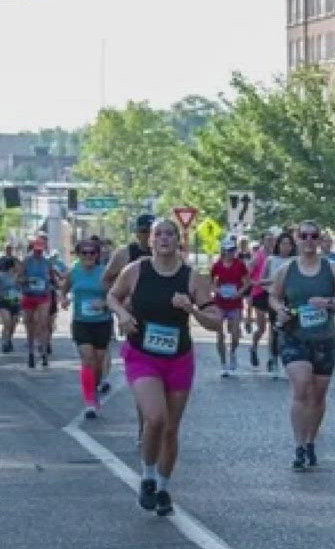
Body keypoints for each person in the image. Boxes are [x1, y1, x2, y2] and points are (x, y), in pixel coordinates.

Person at [105, 218, 221, 517]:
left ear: (178, 240)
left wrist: (192, 309)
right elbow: (112, 296)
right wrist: (122, 315)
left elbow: (216, 321)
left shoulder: (193, 278)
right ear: (151, 241)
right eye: (159, 234)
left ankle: (164, 488)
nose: (164, 239)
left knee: (171, 429)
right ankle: (147, 476)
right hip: (143, 354)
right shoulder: (137, 270)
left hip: (178, 358)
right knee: (155, 418)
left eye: (170, 234)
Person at [272, 221, 335, 471]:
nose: (309, 240)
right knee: (301, 385)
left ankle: (310, 441)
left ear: (320, 240)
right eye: (304, 236)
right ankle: (298, 446)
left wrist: (329, 302)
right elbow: (274, 297)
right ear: (296, 239)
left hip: (325, 339)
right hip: (294, 337)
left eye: (314, 236)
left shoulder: (334, 269)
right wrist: (281, 310)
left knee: (318, 395)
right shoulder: (286, 270)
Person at [64, 236, 117, 419]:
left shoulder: (105, 273)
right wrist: (63, 298)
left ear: (97, 255)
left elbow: (115, 295)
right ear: (78, 254)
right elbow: (65, 288)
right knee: (88, 359)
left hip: (102, 322)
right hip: (81, 322)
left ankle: (94, 387)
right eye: (84, 253)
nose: (88, 256)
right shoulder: (74, 272)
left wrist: (103, 304)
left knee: (99, 363)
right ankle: (90, 401)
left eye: (92, 253)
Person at [254, 230, 296, 377]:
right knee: (275, 330)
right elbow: (261, 280)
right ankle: (273, 359)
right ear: (279, 245)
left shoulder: (295, 260)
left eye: (289, 244)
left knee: (291, 330)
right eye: (283, 243)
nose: (286, 247)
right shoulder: (271, 260)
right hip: (275, 300)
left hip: (291, 300)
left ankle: (289, 361)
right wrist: (273, 286)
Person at [209, 236, 251, 377]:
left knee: (235, 334)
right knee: (220, 333)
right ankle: (223, 363)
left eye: (233, 250)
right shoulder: (217, 265)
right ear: (223, 251)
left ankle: (232, 352)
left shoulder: (240, 264)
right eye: (228, 250)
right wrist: (217, 290)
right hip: (221, 303)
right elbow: (211, 282)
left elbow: (247, 282)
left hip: (235, 303)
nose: (230, 253)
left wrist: (239, 294)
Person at [19, 235, 60, 368]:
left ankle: (43, 352)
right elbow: (18, 278)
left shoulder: (47, 262)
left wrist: (55, 284)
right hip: (29, 295)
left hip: (43, 296)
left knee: (43, 323)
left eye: (41, 250)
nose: (38, 252)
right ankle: (31, 351)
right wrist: (27, 280)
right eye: (37, 250)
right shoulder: (26, 261)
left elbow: (54, 278)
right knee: (30, 324)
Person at [0, 243, 23, 354]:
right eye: (17, 265)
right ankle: (4, 342)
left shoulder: (20, 277)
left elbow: (25, 288)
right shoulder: (1, 275)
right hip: (4, 301)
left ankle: (9, 339)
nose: (19, 267)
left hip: (15, 302)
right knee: (7, 322)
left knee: (13, 324)